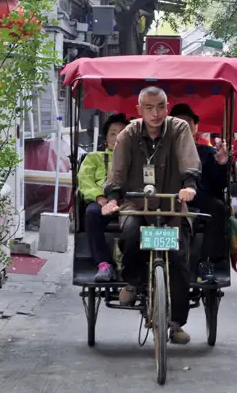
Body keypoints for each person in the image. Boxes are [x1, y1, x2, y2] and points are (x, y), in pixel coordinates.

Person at [103, 87, 201, 345]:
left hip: (171, 206)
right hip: (138, 205)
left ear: (167, 107)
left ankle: (176, 322)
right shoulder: (128, 134)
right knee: (131, 233)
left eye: (160, 107)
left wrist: (189, 185)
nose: (155, 113)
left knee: (179, 256)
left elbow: (188, 158)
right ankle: (134, 282)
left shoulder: (178, 128)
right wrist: (113, 198)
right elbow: (117, 172)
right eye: (149, 108)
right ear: (139, 110)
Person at [170, 103, 229, 284]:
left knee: (217, 207)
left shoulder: (208, 152)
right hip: (168, 198)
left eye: (187, 124)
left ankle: (206, 262)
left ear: (195, 128)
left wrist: (221, 164)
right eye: (178, 123)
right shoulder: (160, 150)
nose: (183, 128)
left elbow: (219, 186)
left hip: (200, 197)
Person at [79, 113, 131, 282]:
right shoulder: (94, 158)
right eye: (113, 133)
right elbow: (85, 181)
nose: (117, 137)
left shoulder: (136, 160)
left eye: (122, 133)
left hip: (129, 201)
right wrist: (100, 198)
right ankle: (104, 264)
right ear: (106, 138)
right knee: (92, 213)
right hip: (102, 201)